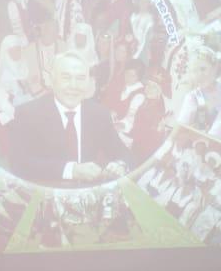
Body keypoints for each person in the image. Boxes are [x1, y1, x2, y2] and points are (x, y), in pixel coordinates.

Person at [8, 51, 130, 186]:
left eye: (80, 78)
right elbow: (19, 164)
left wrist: (120, 165)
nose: (73, 86)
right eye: (66, 77)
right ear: (52, 80)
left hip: (87, 194)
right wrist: (71, 170)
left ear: (88, 82)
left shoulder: (99, 114)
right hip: (46, 193)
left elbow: (124, 153)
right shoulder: (27, 114)